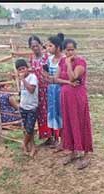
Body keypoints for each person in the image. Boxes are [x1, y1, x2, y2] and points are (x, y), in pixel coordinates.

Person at [57, 38, 93, 170]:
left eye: (72, 49)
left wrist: (68, 64)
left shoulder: (80, 62)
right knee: (68, 123)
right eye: (68, 50)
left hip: (78, 97)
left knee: (81, 122)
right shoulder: (61, 61)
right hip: (66, 98)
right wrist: (67, 82)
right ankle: (72, 151)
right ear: (64, 50)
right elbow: (56, 78)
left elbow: (73, 77)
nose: (70, 52)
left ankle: (86, 154)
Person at [28, 35, 53, 147]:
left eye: (37, 45)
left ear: (40, 45)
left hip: (48, 89)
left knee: (51, 112)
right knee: (41, 114)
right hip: (38, 91)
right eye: (33, 46)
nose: (35, 48)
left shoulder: (47, 57)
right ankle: (48, 137)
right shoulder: (31, 59)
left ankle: (55, 136)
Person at [44, 32, 64, 148]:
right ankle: (57, 139)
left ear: (58, 47)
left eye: (50, 46)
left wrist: (52, 79)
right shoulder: (50, 59)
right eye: (47, 46)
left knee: (62, 113)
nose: (48, 48)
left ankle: (64, 140)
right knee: (54, 113)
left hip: (60, 90)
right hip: (51, 90)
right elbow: (47, 75)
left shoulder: (64, 59)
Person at [15, 59, 39, 157]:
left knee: (29, 129)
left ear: (27, 68)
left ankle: (24, 143)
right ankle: (33, 147)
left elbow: (31, 90)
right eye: (19, 70)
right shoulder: (21, 80)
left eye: (23, 68)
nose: (22, 71)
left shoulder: (32, 77)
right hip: (23, 107)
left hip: (32, 107)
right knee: (28, 129)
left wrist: (23, 80)